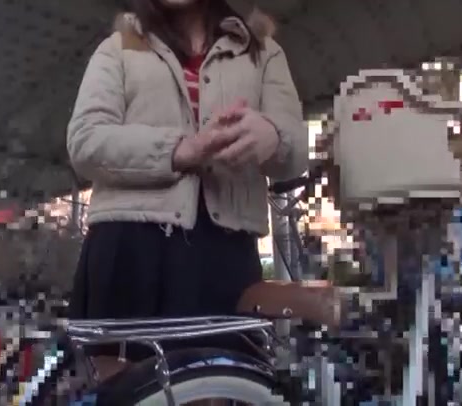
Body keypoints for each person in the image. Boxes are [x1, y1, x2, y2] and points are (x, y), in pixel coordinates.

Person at [66, 0, 307, 380]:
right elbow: (85, 141)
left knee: (222, 387)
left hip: (224, 253)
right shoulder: (118, 47)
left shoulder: (263, 52)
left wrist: (273, 136)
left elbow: (296, 148)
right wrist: (181, 150)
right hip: (129, 249)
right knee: (127, 390)